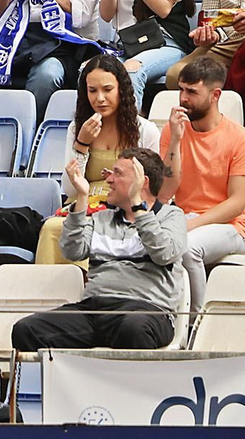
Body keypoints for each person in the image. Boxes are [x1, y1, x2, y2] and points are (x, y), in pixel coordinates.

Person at [11, 146, 185, 350]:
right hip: (94, 308)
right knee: (27, 330)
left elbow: (165, 253)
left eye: (118, 173)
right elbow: (72, 250)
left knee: (132, 328)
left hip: (147, 310)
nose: (108, 180)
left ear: (142, 182)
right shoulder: (101, 218)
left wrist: (138, 207)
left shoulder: (171, 216)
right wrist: (82, 197)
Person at [158, 56, 245, 310]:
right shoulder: (172, 131)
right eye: (181, 90)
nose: (183, 98)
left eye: (192, 92)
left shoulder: (241, 139)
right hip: (185, 218)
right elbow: (166, 191)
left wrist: (191, 225)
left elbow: (237, 204)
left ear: (215, 95)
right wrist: (175, 141)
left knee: (187, 248)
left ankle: (196, 321)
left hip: (231, 227)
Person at [34, 54, 154, 264]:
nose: (100, 98)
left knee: (90, 230)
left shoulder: (144, 130)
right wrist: (82, 144)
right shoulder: (77, 128)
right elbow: (69, 189)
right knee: (52, 227)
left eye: (107, 90)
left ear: (122, 89)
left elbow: (154, 186)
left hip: (125, 207)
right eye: (92, 91)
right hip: (84, 202)